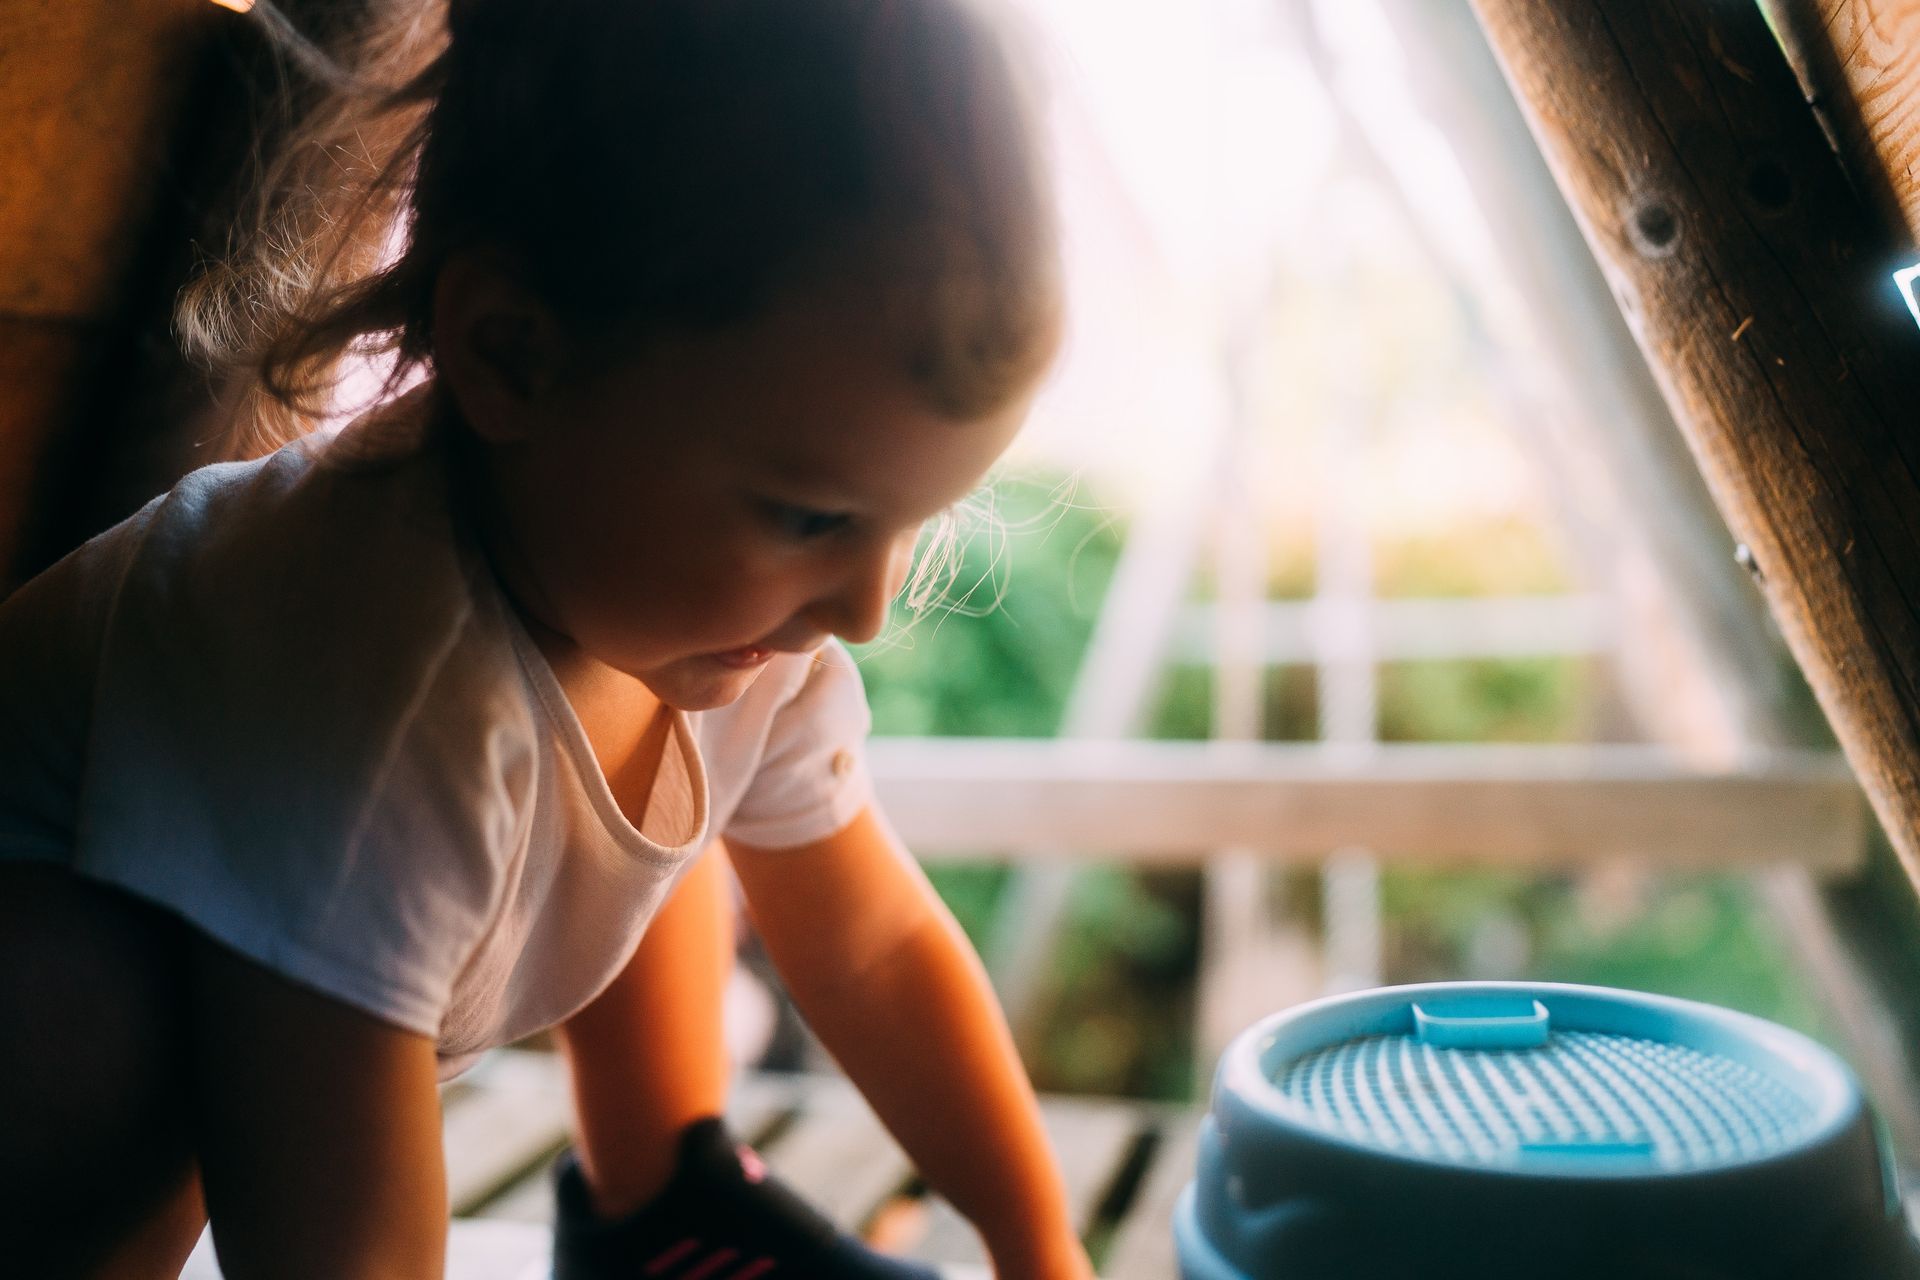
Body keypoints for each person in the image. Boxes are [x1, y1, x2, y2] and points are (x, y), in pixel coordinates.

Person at [0, 1, 1093, 1277]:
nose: (864, 609)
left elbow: (873, 945)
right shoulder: (374, 693)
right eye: (813, 517)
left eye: (916, 523)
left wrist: (1040, 1245)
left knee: (668, 766)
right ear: (512, 355)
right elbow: (341, 1240)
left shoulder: (707, 609)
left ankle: (657, 1202)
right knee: (105, 1023)